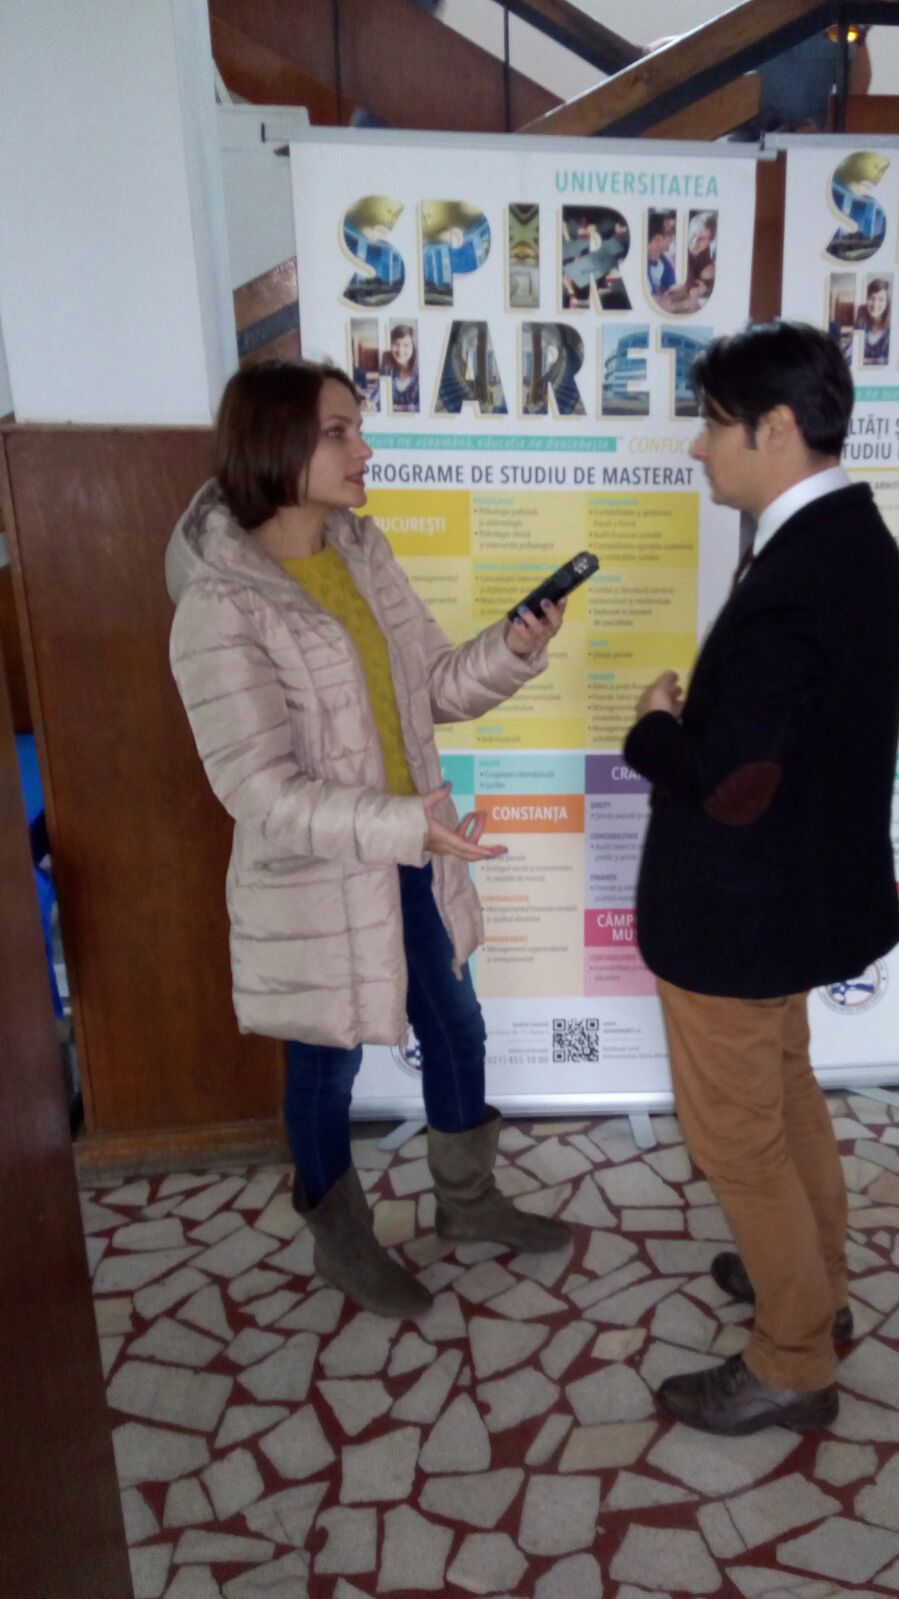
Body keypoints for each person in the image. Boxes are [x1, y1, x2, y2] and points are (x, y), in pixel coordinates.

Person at [166, 359, 571, 1321]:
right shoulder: (220, 603)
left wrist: (512, 649)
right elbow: (257, 790)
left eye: (358, 427)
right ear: (276, 445)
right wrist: (402, 823)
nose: (365, 448)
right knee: (325, 1064)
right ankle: (342, 1240)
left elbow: (429, 687)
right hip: (317, 881)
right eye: (339, 431)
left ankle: (468, 1201)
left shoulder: (361, 549)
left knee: (457, 1026)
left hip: (408, 851)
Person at [623, 321, 899, 1436]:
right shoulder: (853, 542)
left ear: (776, 428)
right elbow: (781, 750)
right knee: (786, 1099)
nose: (699, 447)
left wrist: (653, 731)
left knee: (737, 1142)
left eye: (712, 423)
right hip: (793, 902)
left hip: (736, 918)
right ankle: (816, 1288)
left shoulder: (800, 575)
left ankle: (793, 1355)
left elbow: (735, 783)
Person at [381, 323, 419, 412]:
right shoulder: (386, 370)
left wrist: (396, 408)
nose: (400, 350)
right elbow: (378, 398)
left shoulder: (421, 374)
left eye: (406, 345)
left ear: (413, 348)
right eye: (396, 344)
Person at [646, 211, 677, 300]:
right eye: (669, 233)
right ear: (657, 238)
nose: (672, 237)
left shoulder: (661, 259)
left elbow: (675, 288)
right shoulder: (639, 263)